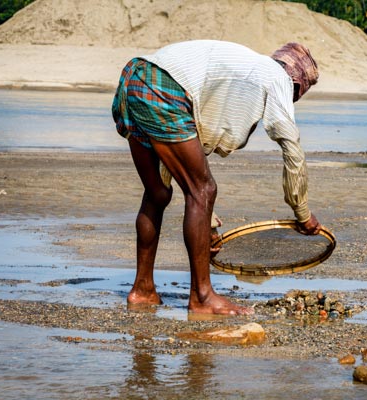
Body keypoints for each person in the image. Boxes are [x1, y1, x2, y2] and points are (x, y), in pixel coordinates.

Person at [111, 40, 323, 315]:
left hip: (135, 77)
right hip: (161, 87)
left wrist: (207, 223)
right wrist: (303, 212)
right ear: (295, 83)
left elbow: (182, 151)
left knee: (158, 193)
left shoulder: (244, 68)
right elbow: (292, 149)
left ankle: (143, 290)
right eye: (296, 96)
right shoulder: (277, 78)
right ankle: (202, 297)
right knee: (204, 191)